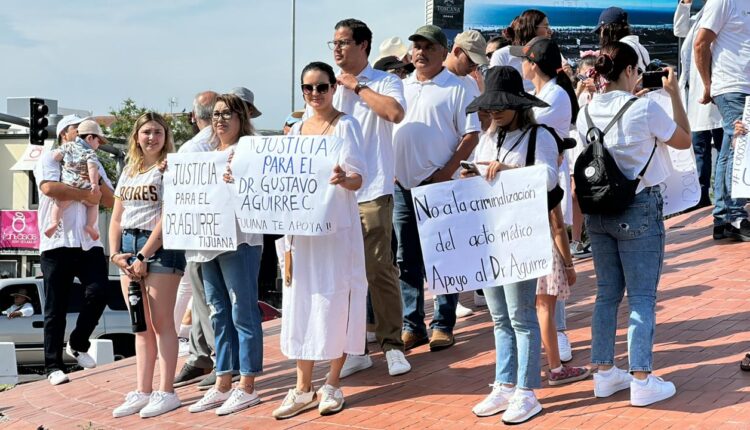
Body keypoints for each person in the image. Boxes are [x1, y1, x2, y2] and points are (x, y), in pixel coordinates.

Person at [581, 42, 690, 406]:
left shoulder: (585, 112)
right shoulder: (643, 108)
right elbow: (683, 140)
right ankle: (641, 378)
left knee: (607, 294)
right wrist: (674, 95)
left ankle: (604, 373)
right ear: (629, 71)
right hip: (639, 206)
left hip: (598, 213)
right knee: (641, 296)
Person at [271, 61, 367, 419]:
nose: (315, 94)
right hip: (301, 233)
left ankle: (332, 383)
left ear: (333, 88)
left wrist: (344, 179)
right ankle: (301, 387)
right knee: (301, 304)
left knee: (335, 301)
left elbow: (360, 177)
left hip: (336, 230)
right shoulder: (294, 132)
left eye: (322, 87)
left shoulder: (347, 125)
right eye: (308, 88)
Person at [466, 66, 558, 425]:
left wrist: (508, 171)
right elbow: (480, 171)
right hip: (491, 236)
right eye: (490, 108)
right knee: (499, 317)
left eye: (500, 106)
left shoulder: (540, 135)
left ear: (519, 104)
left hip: (521, 235)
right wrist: (472, 172)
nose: (494, 113)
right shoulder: (490, 136)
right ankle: (504, 384)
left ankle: (526, 390)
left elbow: (550, 176)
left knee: (521, 316)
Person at [326, 18, 411, 378]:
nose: (337, 49)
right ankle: (354, 347)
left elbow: (394, 113)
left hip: (373, 189)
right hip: (335, 194)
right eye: (333, 43)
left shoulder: (385, 81)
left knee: (378, 270)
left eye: (343, 42)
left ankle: (392, 345)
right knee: (342, 274)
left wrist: (357, 87)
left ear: (363, 45)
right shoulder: (328, 86)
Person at [392, 24, 481, 352]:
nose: (420, 52)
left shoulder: (460, 87)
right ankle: (412, 325)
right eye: (416, 46)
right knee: (407, 258)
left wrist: (446, 172)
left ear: (444, 52)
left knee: (444, 255)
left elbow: (471, 135)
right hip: (402, 186)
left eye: (428, 46)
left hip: (441, 185)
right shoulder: (399, 87)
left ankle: (443, 323)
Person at [511, 36, 588, 380]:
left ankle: (557, 345)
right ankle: (554, 352)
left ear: (534, 63)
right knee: (545, 290)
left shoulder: (553, 96)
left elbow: (529, 131)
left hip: (545, 192)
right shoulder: (548, 93)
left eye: (524, 60)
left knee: (549, 289)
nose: (521, 66)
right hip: (538, 192)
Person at [188, 94, 264, 416]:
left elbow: (264, 189)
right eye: (216, 114)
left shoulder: (251, 149)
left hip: (240, 241)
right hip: (208, 243)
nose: (219, 120)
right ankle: (223, 382)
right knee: (218, 311)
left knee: (241, 310)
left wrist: (242, 179)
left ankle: (247, 384)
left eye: (227, 114)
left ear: (241, 117)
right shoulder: (207, 154)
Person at [109, 113, 186, 418]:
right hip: (127, 247)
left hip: (160, 248)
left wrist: (143, 255)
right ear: (136, 136)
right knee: (140, 325)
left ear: (166, 136)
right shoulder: (128, 169)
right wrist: (115, 253)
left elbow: (169, 217)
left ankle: (166, 391)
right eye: (146, 132)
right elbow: (116, 217)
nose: (152, 138)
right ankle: (142, 390)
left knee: (162, 322)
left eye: (158, 132)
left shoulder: (169, 169)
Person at [35, 119, 114, 386]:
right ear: (64, 134)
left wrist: (95, 184)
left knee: (100, 292)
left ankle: (78, 342)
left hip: (89, 242)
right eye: (77, 130)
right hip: (57, 242)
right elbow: (50, 188)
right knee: (56, 307)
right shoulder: (50, 158)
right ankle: (53, 366)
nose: (83, 135)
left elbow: (110, 198)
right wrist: (85, 194)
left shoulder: (93, 158)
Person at [173, 90, 221, 389]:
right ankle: (202, 356)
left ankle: (216, 358)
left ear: (194, 117)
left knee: (209, 301)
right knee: (204, 300)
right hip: (207, 234)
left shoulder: (194, 148)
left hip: (204, 236)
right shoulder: (203, 147)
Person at [694, 0, 750, 241]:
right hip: (732, 86)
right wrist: (708, 85)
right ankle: (735, 215)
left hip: (740, 86)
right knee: (742, 145)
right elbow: (700, 43)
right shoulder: (724, 1)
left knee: (729, 148)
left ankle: (723, 217)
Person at [673, 0, 724, 210]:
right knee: (700, 149)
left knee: (723, 147)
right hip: (696, 96)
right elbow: (679, 29)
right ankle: (702, 198)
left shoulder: (719, 13)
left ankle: (725, 196)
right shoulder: (699, 18)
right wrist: (684, 5)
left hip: (715, 91)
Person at [45, 120, 104, 240]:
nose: (99, 144)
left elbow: (56, 156)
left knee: (59, 205)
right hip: (84, 186)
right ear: (89, 138)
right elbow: (92, 168)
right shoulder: (90, 152)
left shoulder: (68, 146)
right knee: (94, 204)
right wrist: (94, 184)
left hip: (69, 184)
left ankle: (54, 223)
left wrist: (61, 159)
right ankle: (89, 225)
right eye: (98, 141)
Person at [489, 9, 552, 92]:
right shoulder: (502, 55)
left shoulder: (548, 55)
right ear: (531, 29)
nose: (550, 31)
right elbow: (495, 92)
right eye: (546, 27)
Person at [594, 7, 650, 72]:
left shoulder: (619, 51)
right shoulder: (641, 48)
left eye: (600, 30)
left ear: (607, 30)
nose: (600, 35)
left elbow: (614, 79)